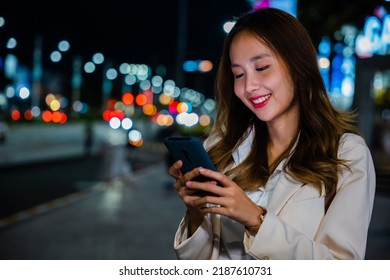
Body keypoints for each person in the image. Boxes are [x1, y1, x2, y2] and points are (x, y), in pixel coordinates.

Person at [167, 7, 376, 260]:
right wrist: (195, 214)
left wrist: (256, 219)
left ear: (298, 65)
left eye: (262, 67)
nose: (249, 86)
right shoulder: (222, 148)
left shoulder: (346, 154)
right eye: (238, 74)